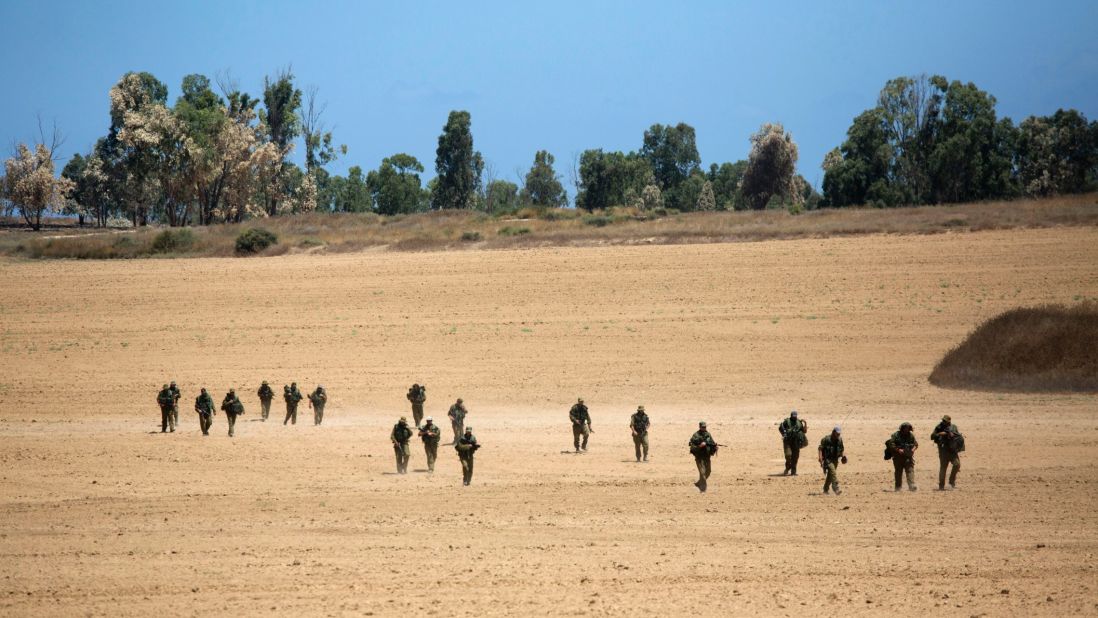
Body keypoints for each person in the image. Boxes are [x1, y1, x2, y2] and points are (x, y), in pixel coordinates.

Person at [931, 415, 964, 490]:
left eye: (945, 421)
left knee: (957, 465)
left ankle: (951, 482)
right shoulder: (939, 427)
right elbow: (932, 436)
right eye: (943, 420)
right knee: (943, 468)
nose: (943, 422)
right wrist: (941, 434)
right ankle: (941, 486)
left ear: (949, 421)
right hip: (943, 451)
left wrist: (952, 435)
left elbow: (957, 437)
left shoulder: (954, 427)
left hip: (952, 450)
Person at [886, 422, 919, 491]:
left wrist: (913, 450)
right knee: (898, 472)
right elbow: (891, 444)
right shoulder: (896, 435)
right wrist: (898, 450)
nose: (906, 429)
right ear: (902, 428)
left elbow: (916, 444)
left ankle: (911, 486)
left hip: (908, 456)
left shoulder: (911, 435)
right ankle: (898, 487)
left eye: (908, 428)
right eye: (905, 428)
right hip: (898, 457)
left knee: (910, 471)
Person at [688, 421, 718, 492]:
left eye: (705, 427)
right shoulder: (696, 435)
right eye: (702, 427)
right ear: (700, 427)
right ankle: (703, 489)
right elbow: (692, 447)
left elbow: (712, 443)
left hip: (707, 457)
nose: (704, 428)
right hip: (699, 457)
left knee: (708, 471)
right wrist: (700, 446)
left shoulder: (708, 434)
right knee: (702, 473)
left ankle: (698, 483)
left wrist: (715, 447)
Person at [818, 426, 847, 495]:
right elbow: (820, 448)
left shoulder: (839, 440)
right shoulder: (826, 439)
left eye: (839, 434)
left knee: (830, 476)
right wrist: (820, 458)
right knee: (833, 472)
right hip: (828, 459)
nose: (838, 435)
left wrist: (843, 457)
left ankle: (825, 489)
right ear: (833, 432)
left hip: (835, 459)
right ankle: (836, 488)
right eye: (837, 433)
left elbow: (841, 449)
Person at [779, 410, 808, 476]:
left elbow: (804, 431)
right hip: (788, 442)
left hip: (796, 442)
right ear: (791, 416)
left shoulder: (799, 422)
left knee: (795, 457)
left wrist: (805, 424)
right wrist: (784, 434)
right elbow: (780, 428)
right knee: (788, 455)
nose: (794, 417)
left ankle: (793, 472)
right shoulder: (787, 421)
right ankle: (788, 467)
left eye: (795, 416)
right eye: (793, 416)